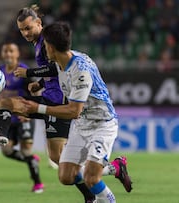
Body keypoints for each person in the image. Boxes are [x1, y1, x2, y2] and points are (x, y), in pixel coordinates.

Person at [22, 21, 130, 202]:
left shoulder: (81, 71)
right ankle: (115, 167)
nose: (43, 49)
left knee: (91, 178)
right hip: (82, 126)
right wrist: (40, 84)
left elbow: (74, 111)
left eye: (45, 45)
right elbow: (55, 73)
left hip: (101, 125)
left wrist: (38, 108)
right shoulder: (62, 61)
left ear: (50, 47)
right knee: (66, 176)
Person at [0, 42, 44, 193]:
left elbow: (36, 91)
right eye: (6, 51)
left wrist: (32, 112)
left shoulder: (23, 70)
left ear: (17, 54)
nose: (8, 54)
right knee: (6, 150)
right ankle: (31, 161)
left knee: (26, 151)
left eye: (11, 51)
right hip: (8, 118)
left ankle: (38, 184)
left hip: (24, 116)